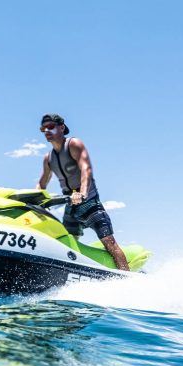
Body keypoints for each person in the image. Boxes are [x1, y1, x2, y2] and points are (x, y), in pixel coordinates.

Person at [36, 114, 130, 271]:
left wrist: (83, 193)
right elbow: (42, 182)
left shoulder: (73, 144)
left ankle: (127, 277)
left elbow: (86, 169)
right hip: (70, 205)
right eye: (43, 128)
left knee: (109, 241)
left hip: (89, 202)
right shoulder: (48, 158)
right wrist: (33, 196)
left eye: (51, 126)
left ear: (62, 127)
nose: (47, 130)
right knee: (68, 241)